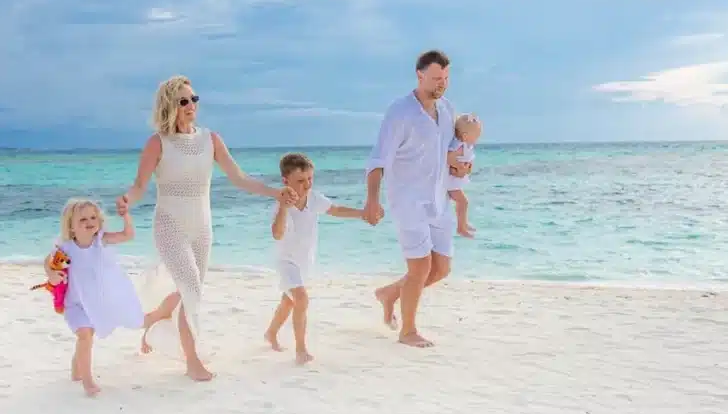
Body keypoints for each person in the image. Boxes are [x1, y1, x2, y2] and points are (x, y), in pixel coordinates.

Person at [116, 75, 297, 382]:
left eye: (194, 99)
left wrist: (275, 193)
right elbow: (139, 186)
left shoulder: (210, 140)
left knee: (192, 291)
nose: (191, 105)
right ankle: (192, 361)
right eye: (183, 101)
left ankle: (157, 317)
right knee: (190, 290)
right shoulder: (157, 143)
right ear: (170, 106)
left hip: (202, 228)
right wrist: (127, 201)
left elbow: (239, 178)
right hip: (169, 226)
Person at [362, 50, 472, 348]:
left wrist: (461, 165)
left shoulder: (447, 109)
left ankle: (389, 294)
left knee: (441, 268)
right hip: (408, 202)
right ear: (419, 75)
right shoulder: (400, 112)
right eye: (436, 78)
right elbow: (378, 159)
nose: (442, 83)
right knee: (420, 268)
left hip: (439, 200)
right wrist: (372, 200)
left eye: (446, 78)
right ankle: (407, 331)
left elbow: (451, 150)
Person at [42, 197, 170, 397]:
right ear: (71, 226)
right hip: (75, 304)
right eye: (83, 219)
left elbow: (128, 235)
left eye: (93, 217)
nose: (89, 222)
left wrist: (126, 216)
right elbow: (48, 261)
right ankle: (87, 381)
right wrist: (51, 274)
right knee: (85, 335)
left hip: (97, 301)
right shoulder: (66, 247)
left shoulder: (100, 241)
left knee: (89, 336)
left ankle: (77, 370)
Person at [263, 153, 370, 365]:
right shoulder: (281, 205)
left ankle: (271, 333)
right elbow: (277, 233)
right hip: (287, 262)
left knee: (289, 301)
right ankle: (301, 349)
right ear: (286, 181)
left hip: (305, 261)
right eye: (300, 181)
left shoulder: (314, 199)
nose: (307, 185)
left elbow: (335, 210)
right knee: (301, 299)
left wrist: (362, 213)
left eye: (310, 179)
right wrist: (284, 207)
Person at [447, 113, 482, 238]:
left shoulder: (467, 146)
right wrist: (459, 167)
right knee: (463, 202)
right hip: (451, 182)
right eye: (477, 135)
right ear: (466, 136)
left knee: (462, 202)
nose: (478, 138)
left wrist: (468, 168)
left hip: (455, 181)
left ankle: (463, 224)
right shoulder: (459, 147)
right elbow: (448, 158)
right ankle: (461, 227)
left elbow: (469, 160)